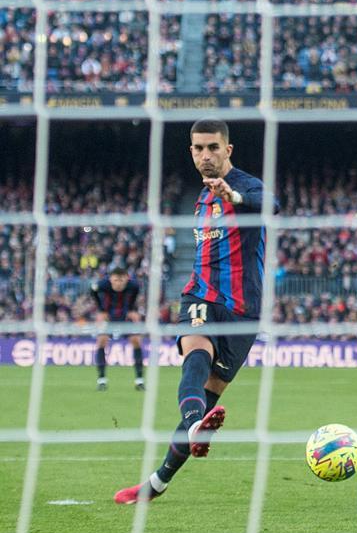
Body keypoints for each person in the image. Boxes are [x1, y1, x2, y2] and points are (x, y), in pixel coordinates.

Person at [114, 118, 276, 503]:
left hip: (243, 312)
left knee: (210, 395)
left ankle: (156, 483)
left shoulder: (247, 185)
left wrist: (233, 197)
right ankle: (192, 427)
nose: (206, 155)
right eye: (199, 149)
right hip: (200, 296)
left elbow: (270, 205)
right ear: (191, 152)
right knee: (195, 353)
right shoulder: (201, 199)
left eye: (213, 148)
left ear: (228, 150)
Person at [90, 265, 144, 391]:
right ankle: (102, 379)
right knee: (101, 340)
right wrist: (101, 310)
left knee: (136, 340)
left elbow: (135, 295)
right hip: (109, 315)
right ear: (110, 280)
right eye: (115, 280)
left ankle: (139, 380)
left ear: (127, 279)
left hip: (125, 315)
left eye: (121, 280)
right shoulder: (102, 285)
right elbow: (92, 291)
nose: (119, 284)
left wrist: (131, 310)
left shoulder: (134, 286)